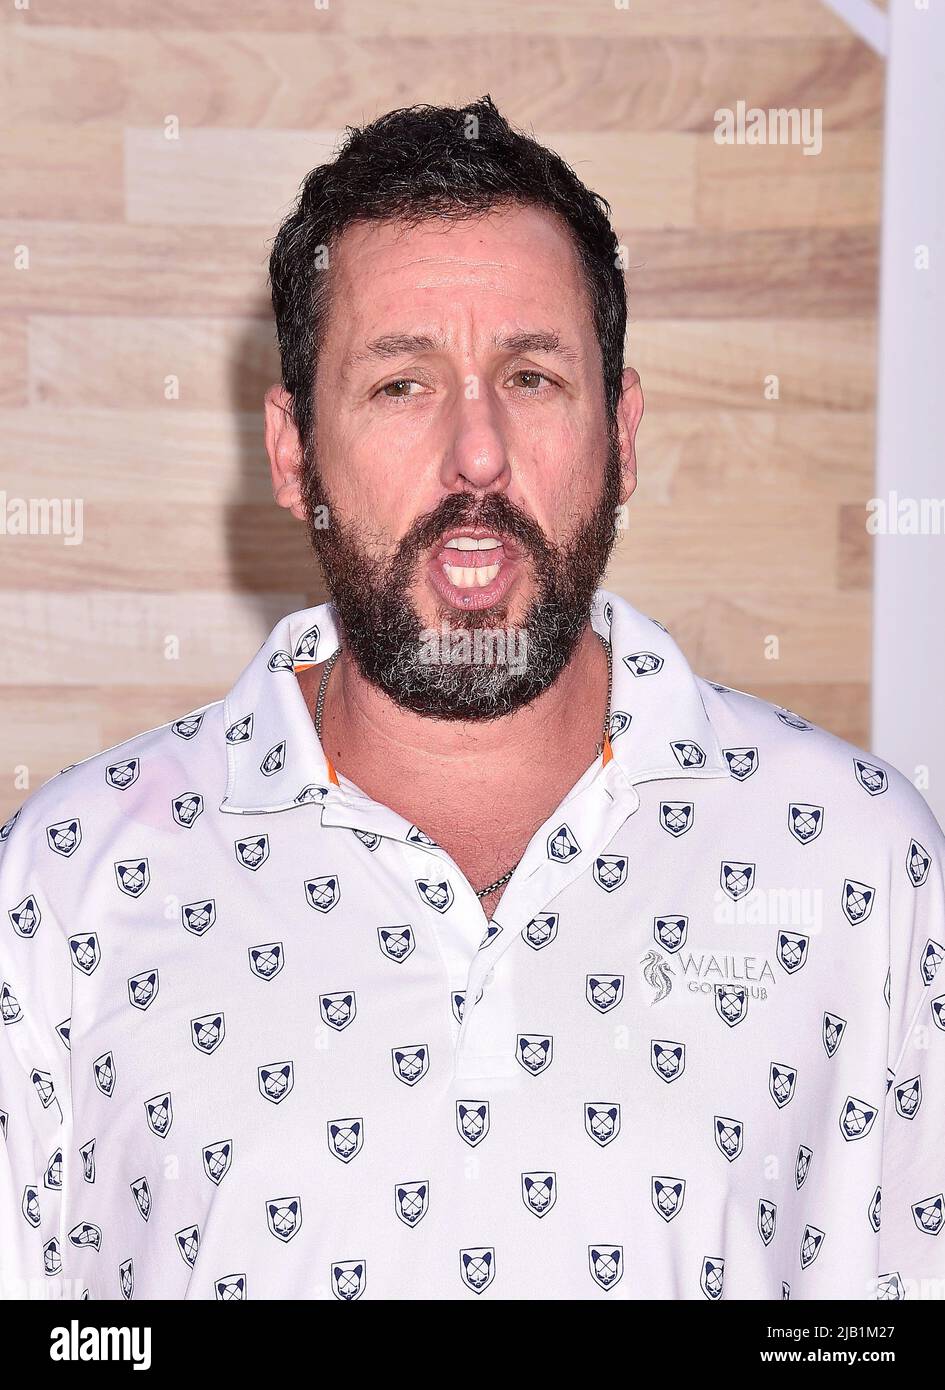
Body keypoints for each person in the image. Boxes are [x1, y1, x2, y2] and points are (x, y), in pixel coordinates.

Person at [1, 96, 943, 1302]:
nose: (478, 458)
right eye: (402, 384)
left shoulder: (868, 868)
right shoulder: (62, 887)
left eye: (534, 376)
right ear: (293, 455)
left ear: (624, 433)